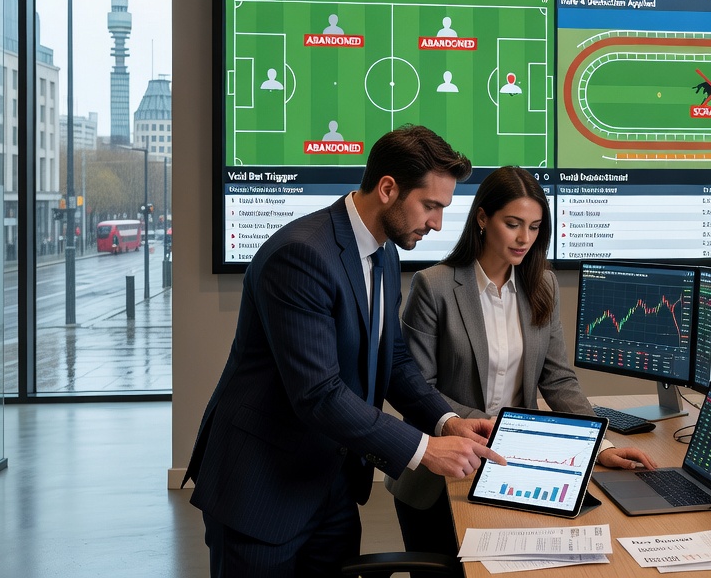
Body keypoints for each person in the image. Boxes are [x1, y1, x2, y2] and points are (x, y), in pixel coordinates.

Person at [184, 125, 504, 578]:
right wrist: (425, 448)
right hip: (261, 486)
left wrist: (447, 422)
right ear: (388, 189)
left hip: (330, 481)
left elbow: (393, 359)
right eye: (430, 205)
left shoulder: (384, 253)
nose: (437, 223)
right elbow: (319, 393)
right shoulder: (301, 255)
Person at [388, 166, 657, 554]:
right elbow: (418, 390)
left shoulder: (542, 284)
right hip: (441, 475)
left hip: (517, 470)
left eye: (534, 227)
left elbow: (559, 380)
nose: (524, 238)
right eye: (513, 224)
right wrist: (496, 427)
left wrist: (601, 446)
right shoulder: (434, 286)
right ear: (483, 218)